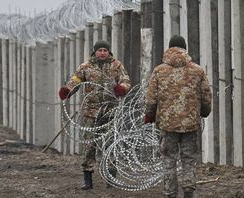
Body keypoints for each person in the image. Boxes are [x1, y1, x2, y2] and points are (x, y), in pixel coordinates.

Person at [58, 40, 131, 190]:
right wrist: (67, 90)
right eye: (100, 50)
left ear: (108, 51)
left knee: (110, 145)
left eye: (105, 50)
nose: (102, 53)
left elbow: (125, 80)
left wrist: (122, 88)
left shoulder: (117, 65)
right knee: (89, 146)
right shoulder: (86, 67)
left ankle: (111, 179)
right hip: (91, 113)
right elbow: (75, 81)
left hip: (110, 112)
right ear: (95, 51)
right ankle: (88, 180)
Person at [144, 35, 211, 198]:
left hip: (167, 125)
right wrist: (204, 112)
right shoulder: (198, 70)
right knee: (189, 159)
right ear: (185, 48)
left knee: (169, 160)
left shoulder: (159, 71)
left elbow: (151, 98)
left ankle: (170, 193)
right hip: (190, 124)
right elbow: (206, 96)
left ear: (169, 48)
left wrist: (149, 115)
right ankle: (188, 190)